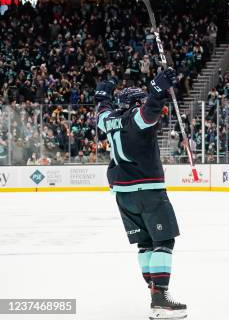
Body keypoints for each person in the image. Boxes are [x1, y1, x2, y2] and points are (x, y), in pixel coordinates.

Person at [95, 70, 187, 320]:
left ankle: (154, 291)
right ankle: (160, 299)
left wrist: (104, 94)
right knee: (164, 242)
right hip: (147, 191)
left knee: (146, 243)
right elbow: (149, 113)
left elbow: (102, 109)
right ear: (136, 103)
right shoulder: (136, 117)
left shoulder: (108, 119)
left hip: (123, 194)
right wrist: (158, 91)